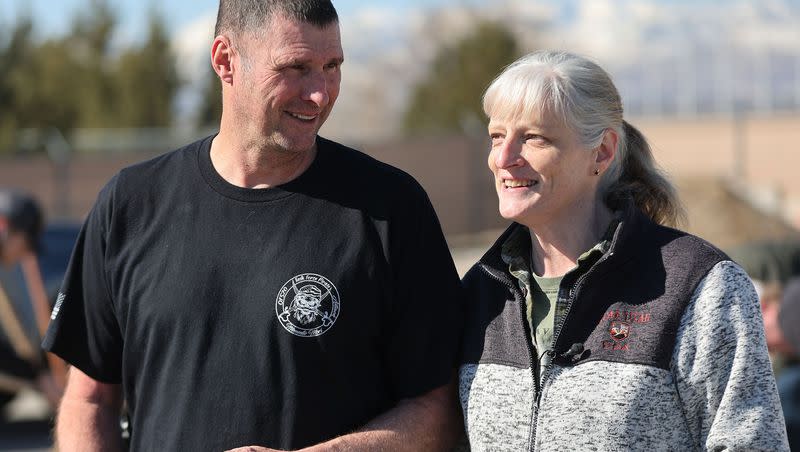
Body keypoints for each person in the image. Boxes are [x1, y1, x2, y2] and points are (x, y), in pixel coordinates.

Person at [42, 1, 463, 450]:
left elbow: (440, 412)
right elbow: (89, 402)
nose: (320, 93)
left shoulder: (391, 208)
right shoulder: (129, 204)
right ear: (225, 60)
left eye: (332, 66)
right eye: (296, 67)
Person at [457, 50, 789, 451]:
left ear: (602, 152)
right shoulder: (480, 292)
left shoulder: (701, 287)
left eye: (533, 137)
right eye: (497, 136)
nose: (504, 158)